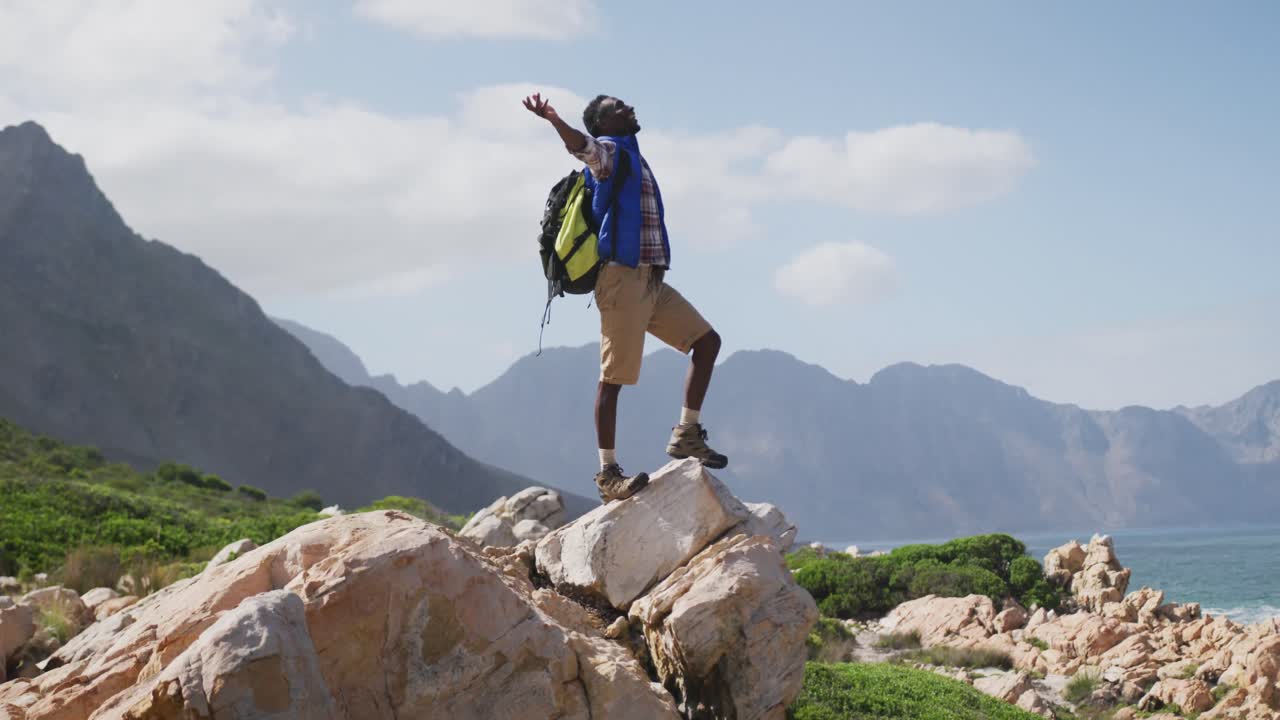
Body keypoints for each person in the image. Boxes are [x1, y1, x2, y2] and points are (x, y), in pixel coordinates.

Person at [523, 92, 728, 502]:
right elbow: (584, 148)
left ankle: (687, 434)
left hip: (649, 279)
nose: (629, 108)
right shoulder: (611, 151)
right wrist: (555, 121)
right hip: (621, 280)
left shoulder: (631, 154)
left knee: (707, 342)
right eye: (619, 108)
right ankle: (608, 474)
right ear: (604, 124)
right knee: (613, 379)